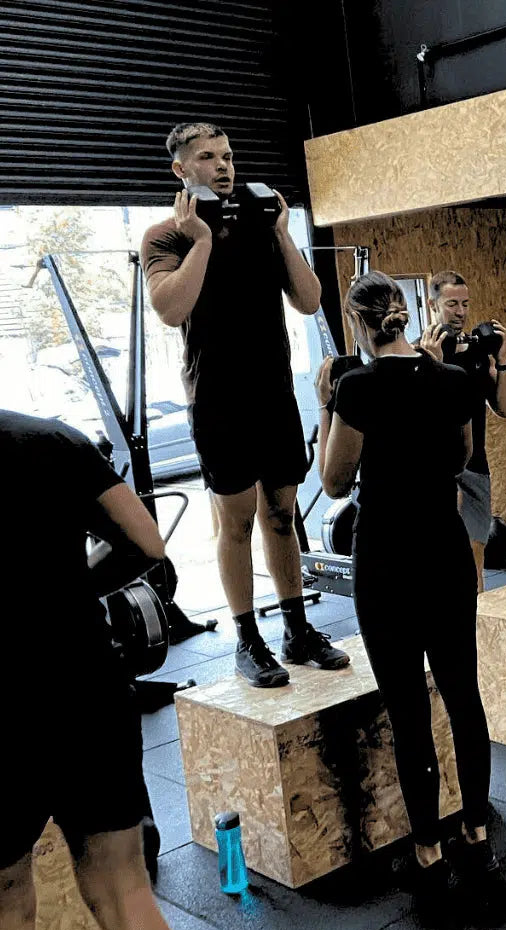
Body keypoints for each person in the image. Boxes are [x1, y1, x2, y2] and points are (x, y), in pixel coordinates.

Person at [1, 411, 179, 930]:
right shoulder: (50, 439)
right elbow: (146, 544)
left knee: (5, 909)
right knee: (125, 887)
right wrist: (80, 593)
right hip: (84, 683)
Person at [141, 121, 348, 688]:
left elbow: (309, 301)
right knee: (235, 521)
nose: (224, 166)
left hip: (272, 393)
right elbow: (170, 309)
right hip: (217, 400)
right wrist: (203, 241)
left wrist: (282, 233)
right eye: (208, 157)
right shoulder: (165, 237)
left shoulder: (262, 227)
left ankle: (297, 630)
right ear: (181, 170)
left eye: (228, 155)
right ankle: (247, 640)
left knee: (281, 515)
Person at [316, 272, 495, 918]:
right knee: (462, 694)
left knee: (409, 711)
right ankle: (475, 832)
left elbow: (335, 482)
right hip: (443, 553)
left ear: (361, 326)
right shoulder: (451, 382)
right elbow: (460, 457)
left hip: (386, 563)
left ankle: (427, 850)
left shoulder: (355, 388)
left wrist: (324, 405)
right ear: (406, 314)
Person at [427, 271, 506, 592]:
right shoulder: (418, 357)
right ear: (433, 305)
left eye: (465, 304)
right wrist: (434, 364)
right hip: (437, 475)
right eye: (452, 304)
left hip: (475, 469)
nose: (461, 312)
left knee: (474, 572)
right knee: (441, 569)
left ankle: (476, 639)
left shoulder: (479, 353)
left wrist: (502, 359)